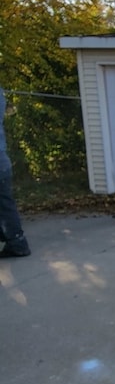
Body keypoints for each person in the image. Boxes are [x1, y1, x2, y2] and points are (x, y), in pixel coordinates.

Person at [0, 87, 30, 257]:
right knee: (4, 205)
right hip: (2, 162)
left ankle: (18, 244)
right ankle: (16, 242)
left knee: (4, 206)